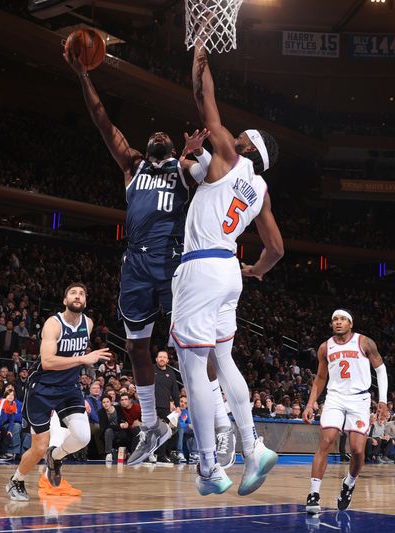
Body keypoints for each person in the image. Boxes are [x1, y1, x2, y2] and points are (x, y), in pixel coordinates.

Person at [64, 44, 235, 468]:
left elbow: (215, 179)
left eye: (164, 136)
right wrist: (83, 75)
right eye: (152, 135)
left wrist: (199, 153)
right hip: (137, 264)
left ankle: (221, 422)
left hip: (175, 262)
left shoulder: (183, 168)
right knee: (136, 347)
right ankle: (153, 425)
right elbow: (102, 120)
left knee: (194, 347)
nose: (158, 136)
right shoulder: (132, 165)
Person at [169, 34, 286, 497]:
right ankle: (254, 448)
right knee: (224, 357)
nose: (230, 136)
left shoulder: (230, 158)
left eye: (238, 139)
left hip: (200, 267)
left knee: (194, 368)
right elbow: (277, 248)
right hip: (230, 271)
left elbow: (206, 102)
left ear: (248, 149)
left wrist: (201, 61)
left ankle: (209, 467)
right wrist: (256, 270)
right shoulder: (260, 191)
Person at [6, 283, 111, 501]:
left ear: (85, 301)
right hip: (42, 389)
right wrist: (83, 359)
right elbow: (47, 361)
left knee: (83, 437)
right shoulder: (53, 324)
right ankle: (16, 480)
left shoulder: (88, 324)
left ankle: (55, 457)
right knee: (39, 446)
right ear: (65, 300)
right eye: (73, 293)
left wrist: (81, 363)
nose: (78, 296)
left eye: (82, 293)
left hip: (69, 388)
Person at [303, 310, 388, 513]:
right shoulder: (325, 347)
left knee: (358, 450)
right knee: (326, 441)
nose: (338, 322)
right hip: (335, 398)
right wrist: (310, 403)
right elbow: (321, 378)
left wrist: (383, 400)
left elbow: (381, 369)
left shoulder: (365, 342)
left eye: (342, 319)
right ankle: (314, 494)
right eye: (335, 319)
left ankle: (349, 484)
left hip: (359, 399)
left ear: (350, 323)